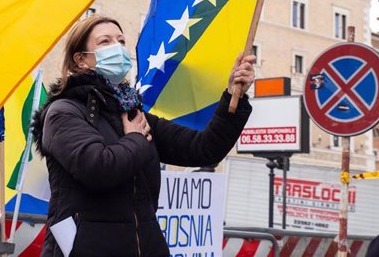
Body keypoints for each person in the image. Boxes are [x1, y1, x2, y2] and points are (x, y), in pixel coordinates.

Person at [32, 15, 255, 257]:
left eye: (121, 41)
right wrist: (136, 139)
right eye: (105, 42)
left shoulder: (133, 114)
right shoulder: (63, 112)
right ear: (81, 60)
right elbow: (98, 168)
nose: (117, 48)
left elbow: (203, 148)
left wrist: (234, 97)